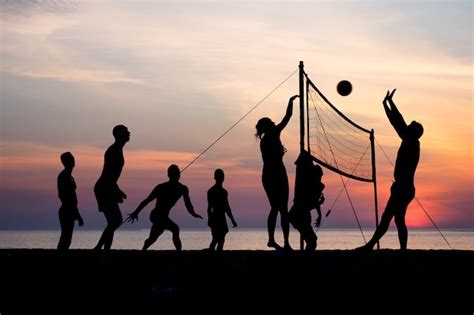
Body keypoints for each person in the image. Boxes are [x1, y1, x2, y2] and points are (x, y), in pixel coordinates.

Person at [357, 89, 423, 251]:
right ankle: (401, 250)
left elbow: (398, 121)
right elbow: (398, 122)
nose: (409, 124)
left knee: (388, 217)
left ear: (414, 132)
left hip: (403, 188)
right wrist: (387, 103)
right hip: (404, 188)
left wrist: (388, 104)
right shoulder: (409, 139)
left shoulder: (411, 141)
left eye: (411, 125)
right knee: (398, 219)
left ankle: (370, 246)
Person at [255, 95, 298, 250]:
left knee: (279, 208)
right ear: (268, 127)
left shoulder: (268, 138)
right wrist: (290, 102)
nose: (274, 124)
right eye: (271, 123)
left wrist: (290, 102)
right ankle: (277, 241)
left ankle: (281, 242)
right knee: (279, 208)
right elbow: (287, 118)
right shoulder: (271, 136)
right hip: (274, 175)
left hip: (274, 174)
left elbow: (287, 117)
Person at [126, 164, 203, 250]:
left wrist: (193, 214)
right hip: (155, 215)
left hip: (164, 217)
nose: (177, 175)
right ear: (169, 175)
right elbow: (147, 200)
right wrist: (136, 212)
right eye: (174, 173)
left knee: (154, 237)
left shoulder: (183, 188)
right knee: (175, 229)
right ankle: (179, 252)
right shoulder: (161, 187)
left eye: (178, 173)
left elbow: (188, 204)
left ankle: (145, 248)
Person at [94, 125, 130, 250]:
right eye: (126, 132)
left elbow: (112, 176)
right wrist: (115, 190)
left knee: (113, 221)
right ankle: (99, 247)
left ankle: (105, 249)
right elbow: (109, 175)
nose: (129, 133)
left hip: (108, 186)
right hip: (104, 188)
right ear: (119, 135)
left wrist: (117, 190)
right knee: (115, 221)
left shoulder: (118, 149)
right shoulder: (113, 151)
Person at [288, 151, 325, 251]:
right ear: (315, 176)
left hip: (299, 215)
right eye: (319, 176)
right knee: (312, 240)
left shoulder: (315, 186)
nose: (320, 179)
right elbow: (308, 204)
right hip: (297, 216)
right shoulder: (306, 185)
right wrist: (319, 203)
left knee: (312, 240)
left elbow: (312, 203)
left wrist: (319, 213)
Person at [57, 152, 84, 250]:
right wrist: (76, 213)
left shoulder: (70, 176)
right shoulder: (63, 176)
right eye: (71, 159)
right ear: (66, 162)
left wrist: (76, 213)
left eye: (73, 158)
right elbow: (63, 196)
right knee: (65, 236)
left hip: (71, 209)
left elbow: (72, 197)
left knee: (68, 238)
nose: (73, 160)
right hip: (66, 209)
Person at [207, 169, 237, 251]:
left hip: (221, 217)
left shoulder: (223, 192)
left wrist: (232, 219)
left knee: (221, 239)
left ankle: (217, 255)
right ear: (216, 177)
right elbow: (209, 208)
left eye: (222, 176)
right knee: (216, 239)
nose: (222, 177)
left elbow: (227, 207)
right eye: (220, 176)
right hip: (216, 217)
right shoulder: (211, 191)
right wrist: (209, 219)